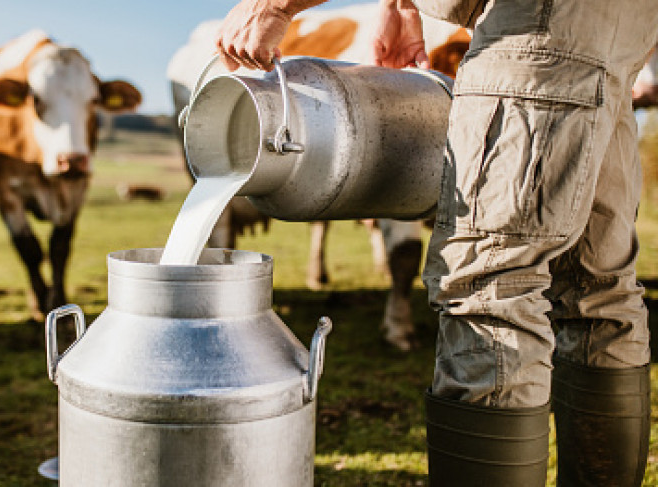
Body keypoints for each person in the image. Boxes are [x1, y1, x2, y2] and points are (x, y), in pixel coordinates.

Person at [216, 0, 657, 485]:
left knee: (490, 288)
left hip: (533, 22)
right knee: (595, 289)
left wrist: (274, 5)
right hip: (619, 25)